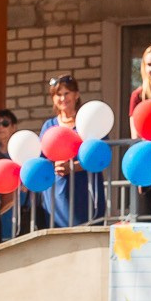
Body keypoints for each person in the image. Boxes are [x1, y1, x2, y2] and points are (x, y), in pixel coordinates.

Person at [42, 75, 105, 227]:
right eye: (58, 94)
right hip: (56, 197)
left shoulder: (89, 121)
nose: (63, 98)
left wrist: (73, 167)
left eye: (67, 93)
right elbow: (42, 159)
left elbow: (101, 155)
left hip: (85, 192)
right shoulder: (49, 126)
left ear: (76, 95)